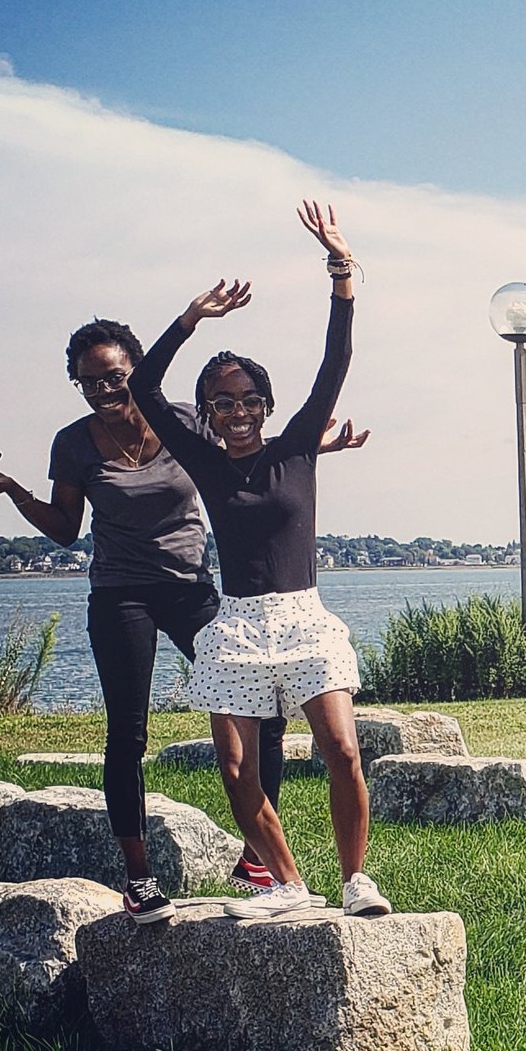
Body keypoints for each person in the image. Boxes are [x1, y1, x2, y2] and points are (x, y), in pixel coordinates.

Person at [0, 322, 364, 923]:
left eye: (114, 377)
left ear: (135, 371)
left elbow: (240, 447)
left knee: (264, 716)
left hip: (191, 588)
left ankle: (259, 860)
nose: (103, 390)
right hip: (120, 592)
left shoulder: (187, 421)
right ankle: (140, 878)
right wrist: (10, 489)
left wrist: (307, 451)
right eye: (88, 382)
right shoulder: (74, 443)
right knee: (128, 732)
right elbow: (65, 529)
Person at [127, 201, 386, 922]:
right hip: (238, 627)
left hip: (304, 619)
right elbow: (144, 388)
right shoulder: (205, 461)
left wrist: (341, 268)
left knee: (341, 749)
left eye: (247, 400)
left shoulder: (296, 446)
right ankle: (287, 883)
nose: (236, 411)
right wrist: (191, 317)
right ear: (207, 413)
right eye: (221, 403)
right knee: (238, 768)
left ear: (267, 405)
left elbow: (337, 358)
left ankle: (356, 879)